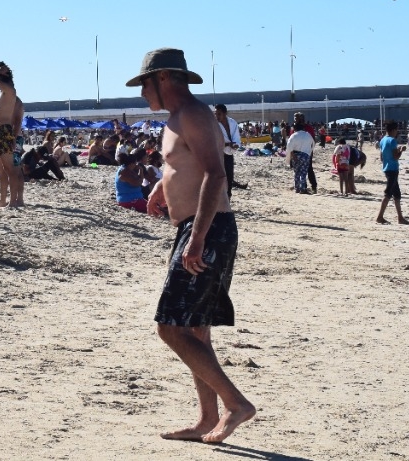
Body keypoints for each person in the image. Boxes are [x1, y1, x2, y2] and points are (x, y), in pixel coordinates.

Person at [128, 48, 254, 444]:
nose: (142, 93)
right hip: (197, 226)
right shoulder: (175, 120)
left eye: (144, 84)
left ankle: (236, 404)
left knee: (171, 328)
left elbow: (216, 174)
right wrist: (162, 193)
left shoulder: (195, 115)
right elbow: (185, 169)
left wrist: (197, 237)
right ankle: (206, 418)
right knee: (196, 329)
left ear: (163, 78)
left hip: (208, 228)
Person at [0, 61, 25, 208]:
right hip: (1, 133)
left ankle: (14, 201)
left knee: (11, 169)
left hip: (5, 132)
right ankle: (3, 200)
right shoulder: (6, 92)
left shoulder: (10, 92)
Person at [376, 121, 409, 225]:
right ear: (393, 130)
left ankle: (400, 217)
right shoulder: (392, 141)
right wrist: (401, 150)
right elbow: (396, 157)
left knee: (396, 194)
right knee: (388, 193)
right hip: (393, 169)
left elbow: (382, 157)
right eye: (396, 130)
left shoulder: (382, 140)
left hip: (386, 168)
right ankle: (379, 216)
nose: (397, 132)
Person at [213, 104, 247, 194]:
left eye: (219, 114)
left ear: (225, 113)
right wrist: (228, 144)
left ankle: (228, 199)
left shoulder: (232, 123)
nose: (216, 116)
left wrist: (236, 145)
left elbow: (236, 138)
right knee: (219, 179)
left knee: (229, 177)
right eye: (215, 114)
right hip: (218, 156)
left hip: (229, 154)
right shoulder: (214, 125)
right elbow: (213, 142)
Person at [285, 113, 314, 194]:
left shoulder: (293, 135)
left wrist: (292, 156)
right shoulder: (307, 134)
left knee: (297, 172)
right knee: (304, 172)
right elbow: (313, 144)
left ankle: (297, 188)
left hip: (295, 155)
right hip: (305, 155)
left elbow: (289, 146)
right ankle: (303, 188)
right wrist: (310, 152)